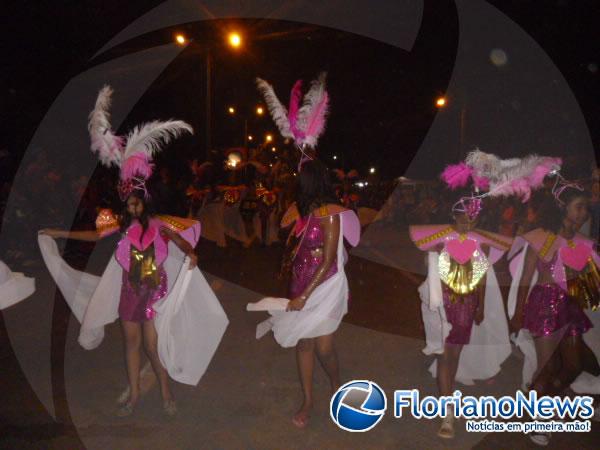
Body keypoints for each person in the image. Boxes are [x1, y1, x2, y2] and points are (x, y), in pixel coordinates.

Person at [38, 85, 228, 417]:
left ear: (144, 199)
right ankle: (136, 395)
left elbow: (181, 240)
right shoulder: (115, 223)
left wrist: (192, 254)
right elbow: (93, 235)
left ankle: (167, 394)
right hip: (129, 292)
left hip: (154, 292)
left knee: (153, 349)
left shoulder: (156, 223)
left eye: (136, 199)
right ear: (125, 201)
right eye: (129, 201)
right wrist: (57, 231)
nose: (133, 204)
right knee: (131, 345)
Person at [250, 160, 360, 428]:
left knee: (324, 346)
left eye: (300, 180)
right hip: (300, 281)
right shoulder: (303, 211)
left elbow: (328, 260)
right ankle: (308, 400)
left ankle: (336, 384)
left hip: (325, 286)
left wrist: (305, 296)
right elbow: (285, 237)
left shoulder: (331, 213)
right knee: (305, 342)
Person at [508, 187, 600, 446]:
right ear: (563, 208)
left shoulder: (583, 242)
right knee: (546, 367)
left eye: (585, 207)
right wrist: (517, 313)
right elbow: (526, 279)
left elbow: (589, 282)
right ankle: (541, 419)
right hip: (544, 306)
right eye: (578, 207)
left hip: (570, 306)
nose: (584, 212)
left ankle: (548, 399)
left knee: (573, 365)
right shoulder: (542, 238)